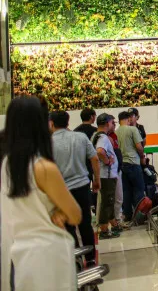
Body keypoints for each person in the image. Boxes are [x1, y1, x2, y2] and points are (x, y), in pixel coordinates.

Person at [1, 96, 82, 291]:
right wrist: (61, 212)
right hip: (49, 253)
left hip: (19, 253)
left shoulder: (6, 166)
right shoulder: (43, 168)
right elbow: (76, 214)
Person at [49, 110, 100, 266]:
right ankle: (90, 258)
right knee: (85, 223)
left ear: (51, 123)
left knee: (68, 225)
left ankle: (76, 257)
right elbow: (95, 158)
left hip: (62, 190)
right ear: (68, 122)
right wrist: (96, 180)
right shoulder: (80, 137)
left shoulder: (48, 142)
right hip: (82, 186)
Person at [92, 114, 121, 239]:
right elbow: (99, 151)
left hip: (104, 175)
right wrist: (108, 161)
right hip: (107, 175)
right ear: (107, 123)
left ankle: (113, 224)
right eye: (112, 122)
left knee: (107, 201)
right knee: (107, 202)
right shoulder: (103, 137)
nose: (113, 124)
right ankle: (104, 229)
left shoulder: (95, 135)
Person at [116, 111, 146, 224]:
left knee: (126, 191)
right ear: (128, 119)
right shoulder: (132, 129)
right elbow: (139, 146)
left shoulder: (116, 132)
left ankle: (127, 215)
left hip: (122, 165)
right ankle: (139, 217)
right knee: (139, 189)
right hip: (134, 163)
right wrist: (142, 156)